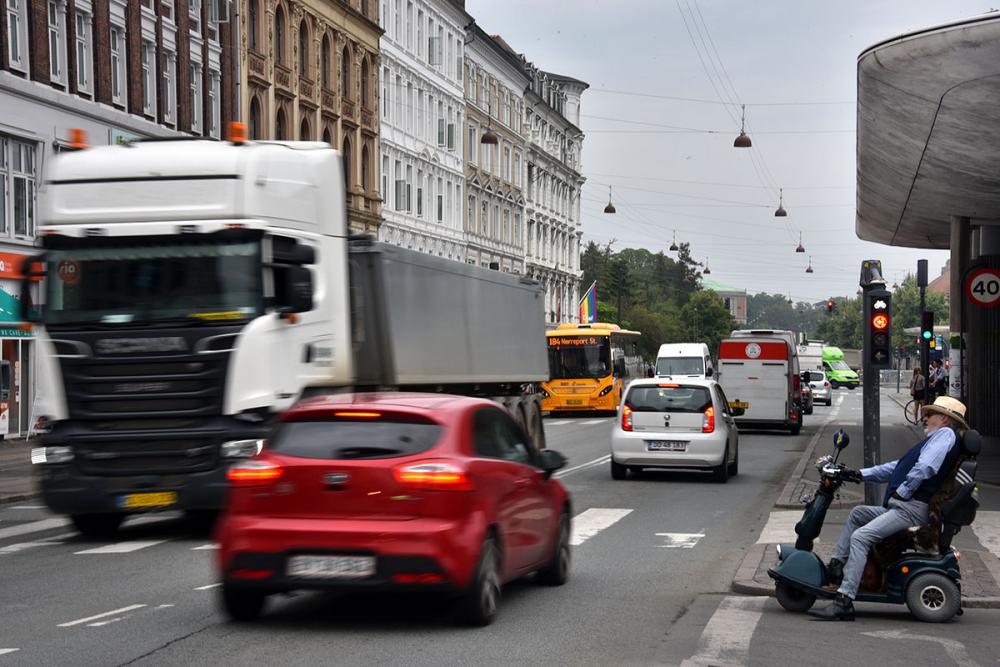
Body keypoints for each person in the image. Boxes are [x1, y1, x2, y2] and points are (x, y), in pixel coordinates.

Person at [808, 396, 969, 621]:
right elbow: (896, 467)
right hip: (906, 507)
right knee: (858, 514)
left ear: (943, 419)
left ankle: (844, 601)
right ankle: (836, 566)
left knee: (861, 537)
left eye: (930, 414)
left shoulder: (945, 435)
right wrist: (857, 474)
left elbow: (925, 468)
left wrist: (903, 491)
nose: (925, 417)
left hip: (910, 508)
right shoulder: (936, 439)